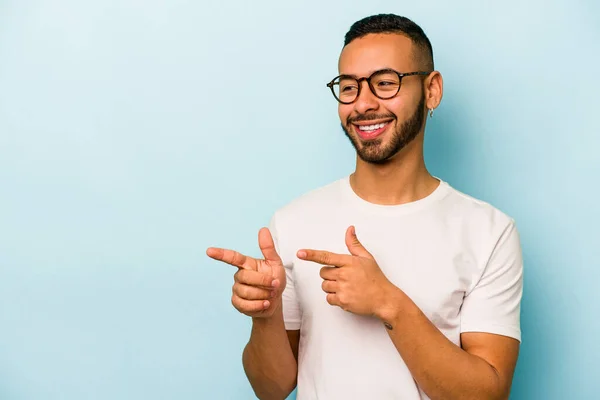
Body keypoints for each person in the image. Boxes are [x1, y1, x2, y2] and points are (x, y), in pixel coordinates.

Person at [206, 13, 523, 400]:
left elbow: (487, 394)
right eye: (349, 87)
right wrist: (266, 317)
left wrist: (388, 302)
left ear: (432, 90)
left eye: (385, 83)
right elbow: (271, 389)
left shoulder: (489, 232)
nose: (363, 104)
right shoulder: (293, 222)